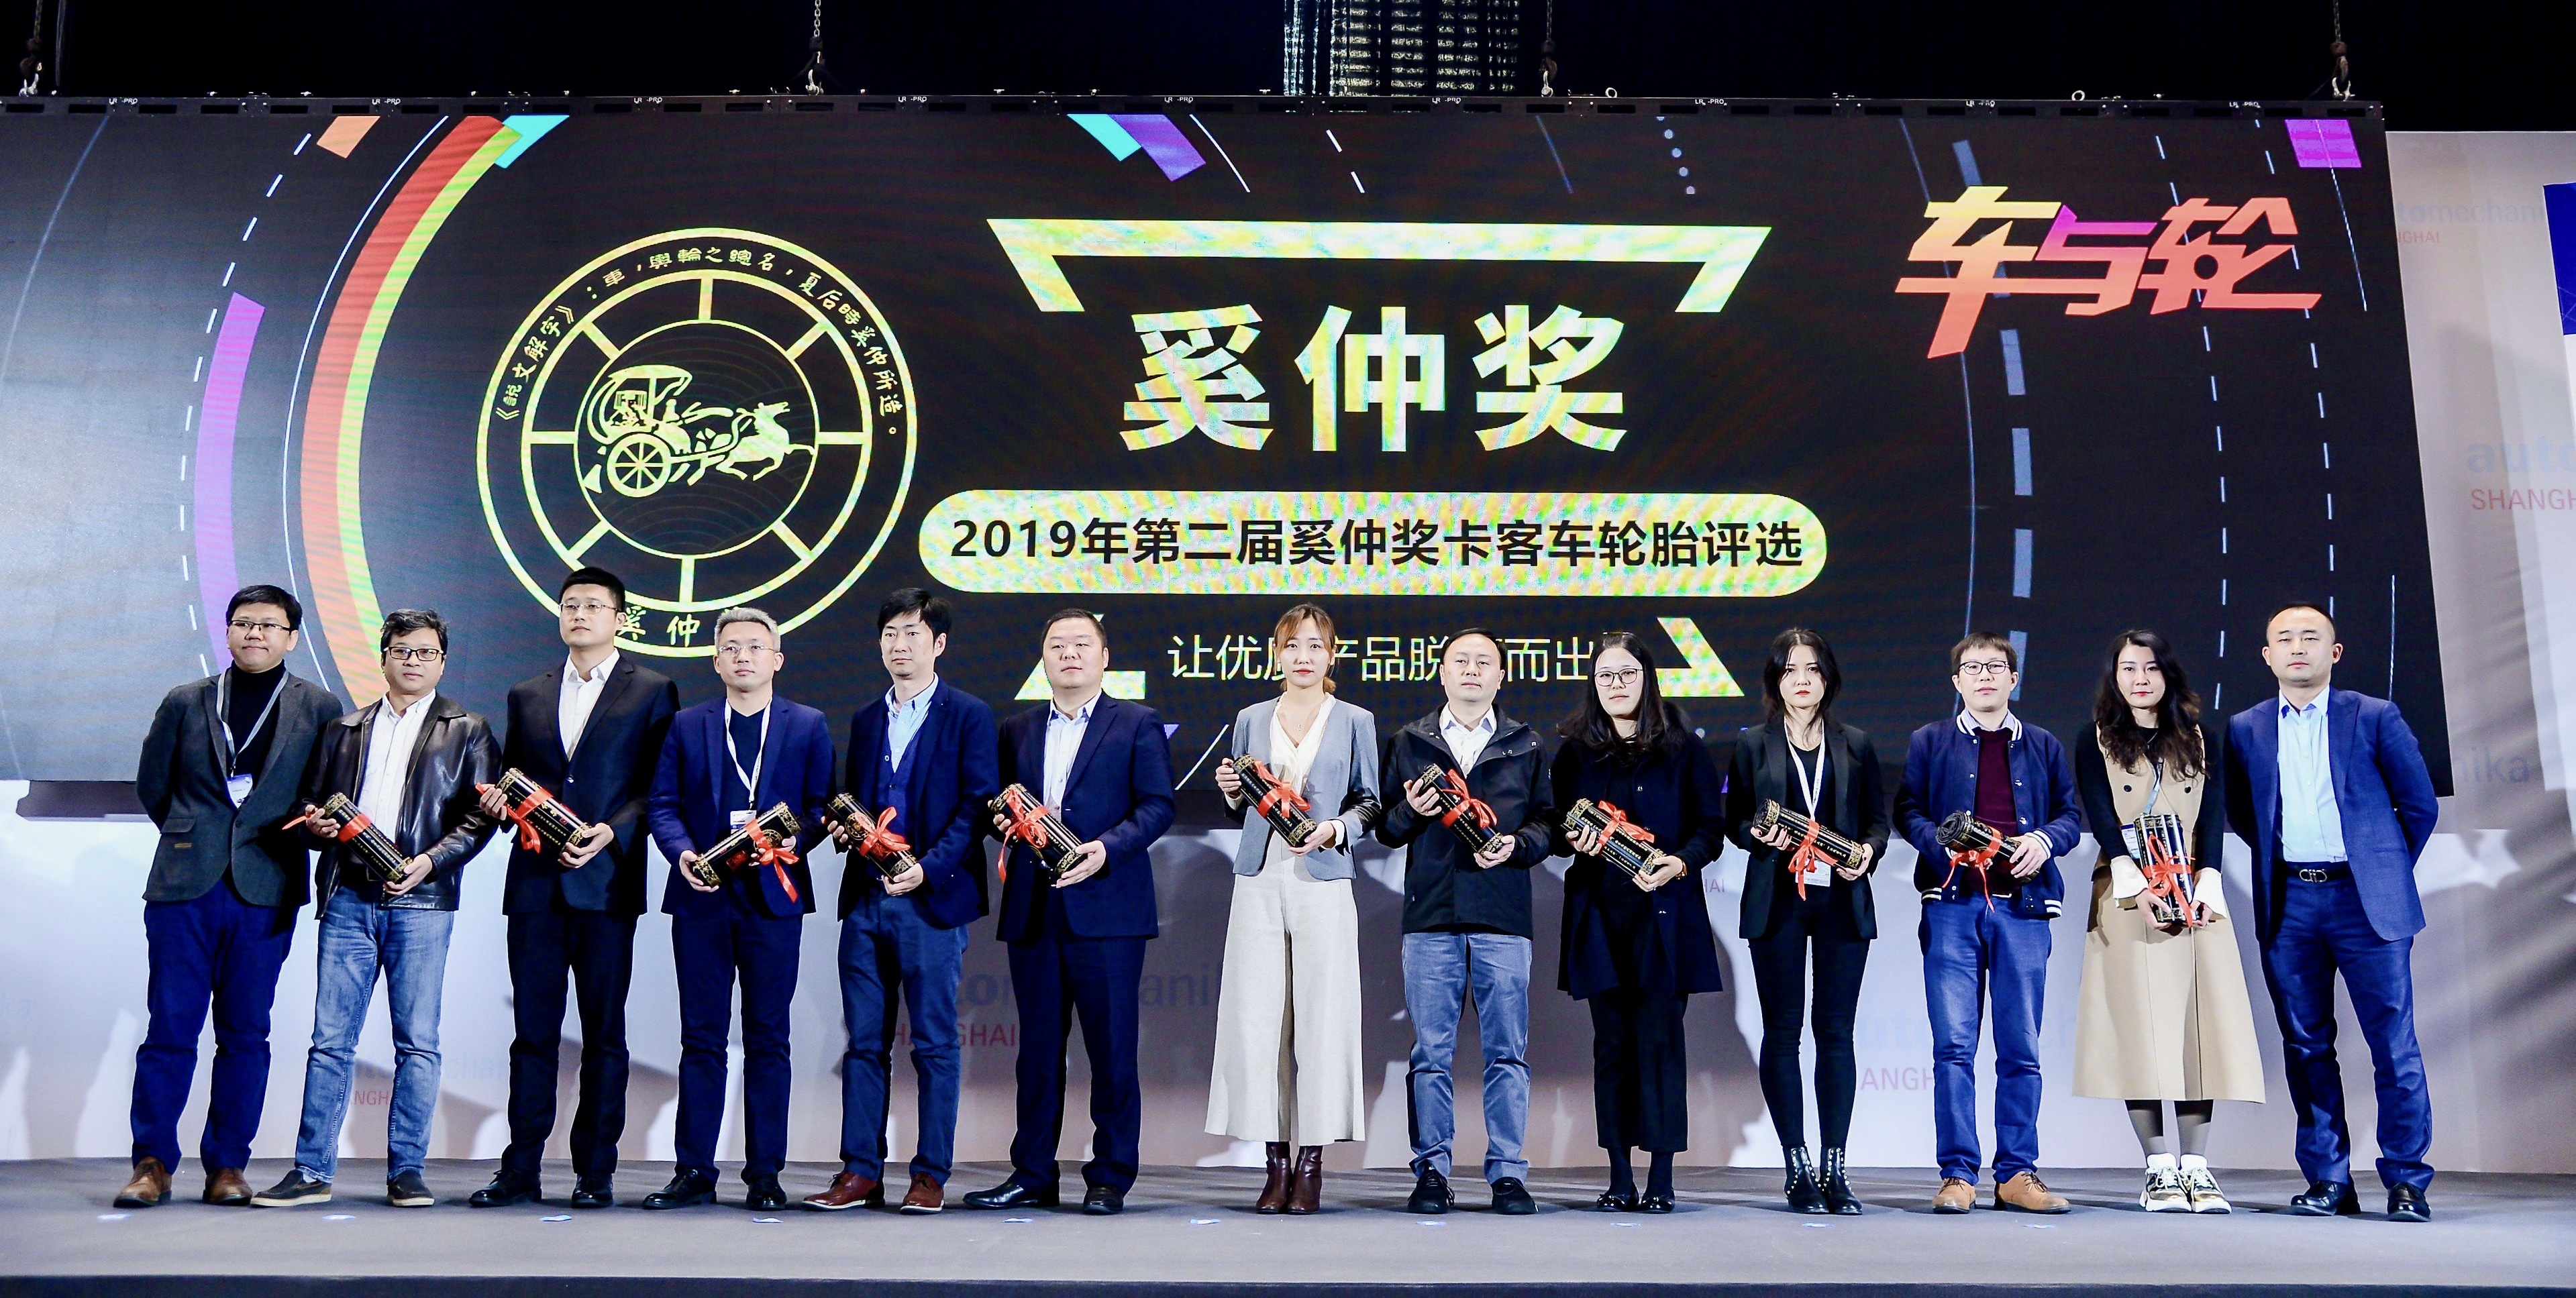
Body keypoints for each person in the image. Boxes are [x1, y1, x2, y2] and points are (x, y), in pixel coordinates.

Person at [253, 609, 501, 1209]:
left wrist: (431, 862)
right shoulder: (344, 728)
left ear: (442, 660)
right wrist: (314, 825)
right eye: (402, 650)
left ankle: (407, 1170)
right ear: (384, 656)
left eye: (425, 651)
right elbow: (311, 804)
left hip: (423, 900)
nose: (413, 661)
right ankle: (312, 1170)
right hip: (347, 897)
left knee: (417, 1042)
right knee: (329, 1041)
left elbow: (480, 817)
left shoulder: (469, 728)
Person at [120, 585, 343, 1209]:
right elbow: (154, 785)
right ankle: (152, 1163)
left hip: (266, 885)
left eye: (269, 625)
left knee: (246, 1032)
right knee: (170, 1028)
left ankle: (227, 1165)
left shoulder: (320, 706)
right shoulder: (186, 700)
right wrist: (194, 836)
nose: (255, 633)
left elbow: (324, 793)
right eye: (244, 622)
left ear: (291, 637)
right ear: (227, 631)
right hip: (184, 886)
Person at [470, 567, 679, 1211]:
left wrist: (611, 832)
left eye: (593, 605)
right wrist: (502, 803)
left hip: (606, 883)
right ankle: (520, 1167)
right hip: (535, 886)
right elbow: (514, 779)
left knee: (604, 1034)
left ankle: (595, 1170)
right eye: (569, 605)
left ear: (620, 618)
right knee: (532, 1034)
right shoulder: (526, 693)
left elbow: (655, 787)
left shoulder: (652, 689)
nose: (579, 614)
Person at [2226, 604, 2439, 1222]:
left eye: (2310, 637)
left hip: (2364, 902)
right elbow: (2243, 812)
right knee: (2306, 1044)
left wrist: (2378, 869)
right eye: (2284, 639)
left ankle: (2406, 1179)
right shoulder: (2244, 727)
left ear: (2334, 652)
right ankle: (2328, 1178)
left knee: (2392, 1042)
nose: (2297, 647)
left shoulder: (2373, 715)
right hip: (2291, 901)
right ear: (2266, 655)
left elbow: (2418, 806)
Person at [962, 608, 1174, 1218]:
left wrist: (1105, 849)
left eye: (1081, 644)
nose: (1069, 654)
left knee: (1111, 1051)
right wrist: (1003, 821)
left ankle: (1109, 1176)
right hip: (1035, 908)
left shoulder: (1135, 722)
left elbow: (1157, 805)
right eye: (1057, 645)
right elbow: (995, 808)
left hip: (1107, 909)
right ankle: (1032, 1172)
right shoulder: (1018, 728)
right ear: (1044, 659)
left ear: (1104, 657)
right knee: (1036, 1053)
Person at [805, 589, 998, 1215]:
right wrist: (845, 829)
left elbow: (976, 806)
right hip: (865, 901)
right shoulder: (866, 717)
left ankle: (930, 1173)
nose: (899, 644)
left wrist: (927, 869)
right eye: (890, 633)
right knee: (863, 1042)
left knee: (935, 1044)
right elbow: (858, 800)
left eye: (912, 633)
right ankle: (860, 1170)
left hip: (932, 902)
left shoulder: (969, 714)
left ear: (938, 643)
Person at [642, 606, 834, 1211]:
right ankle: (694, 1170)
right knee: (701, 1036)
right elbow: (662, 805)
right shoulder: (686, 724)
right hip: (701, 898)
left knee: (768, 1038)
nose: (743, 655)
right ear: (716, 659)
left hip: (772, 901)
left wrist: (788, 842)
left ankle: (765, 1172)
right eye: (731, 647)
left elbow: (820, 808)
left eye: (755, 646)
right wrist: (681, 854)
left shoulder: (807, 724)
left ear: (777, 658)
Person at [2072, 630, 2263, 1213]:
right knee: (2140, 1034)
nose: (2139, 678)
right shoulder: (2094, 737)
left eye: (2150, 667)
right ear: (2114, 676)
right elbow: (2101, 817)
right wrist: (2135, 886)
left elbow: (2212, 817)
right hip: (2129, 894)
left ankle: (2197, 1169)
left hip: (2194, 894)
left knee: (2197, 1031)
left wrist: (2206, 882)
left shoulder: (2201, 737)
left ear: (2168, 674)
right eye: (2127, 668)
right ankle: (2157, 1168)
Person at [1894, 631, 2082, 1215]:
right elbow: (1906, 809)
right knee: (1953, 1047)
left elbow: (2070, 814)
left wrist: (2044, 842)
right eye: (1972, 668)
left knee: (2020, 1047)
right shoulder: (1929, 740)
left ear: (2013, 678)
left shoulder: (2043, 744)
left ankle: (2016, 1173)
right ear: (1956, 681)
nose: (1983, 676)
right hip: (1952, 906)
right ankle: (1957, 1174)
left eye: (1995, 667)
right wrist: (1940, 844)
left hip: (2022, 909)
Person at [1206, 603, 1381, 1214]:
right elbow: (1238, 802)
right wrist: (1231, 792)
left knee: (1324, 1020)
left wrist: (1334, 828)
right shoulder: (1250, 718)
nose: (1303, 656)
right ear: (1276, 653)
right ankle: (1274, 1163)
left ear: (1331, 654)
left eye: (1314, 645)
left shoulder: (1354, 719)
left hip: (1323, 876)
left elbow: (1370, 803)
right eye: (1292, 645)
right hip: (1259, 876)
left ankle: (1312, 1164)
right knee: (1257, 1022)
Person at [1376, 628, 1551, 1216]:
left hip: (1502, 914)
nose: (1471, 669)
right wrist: (1410, 809)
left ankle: (1507, 1173)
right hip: (1432, 914)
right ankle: (1431, 1171)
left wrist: (1517, 845)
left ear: (1501, 675)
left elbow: (1549, 824)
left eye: (1483, 662)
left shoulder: (1527, 743)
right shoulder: (1409, 741)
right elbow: (1385, 827)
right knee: (1430, 1053)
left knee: (1507, 1053)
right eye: (1460, 660)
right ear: (1442, 672)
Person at [1549, 632, 1725, 1213]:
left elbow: (1710, 828)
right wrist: (1570, 838)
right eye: (1605, 675)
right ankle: (1620, 1176)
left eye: (1626, 673)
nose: (1616, 684)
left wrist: (1680, 861)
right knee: (1612, 1046)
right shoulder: (1575, 752)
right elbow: (1558, 829)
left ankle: (1662, 1178)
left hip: (1665, 916)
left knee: (1660, 1042)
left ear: (1647, 678)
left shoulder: (1683, 748)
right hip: (1599, 916)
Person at [1722, 629, 1887, 1215]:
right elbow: (1733, 819)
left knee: (1836, 1032)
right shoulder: (1752, 743)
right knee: (1783, 1031)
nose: (1801, 679)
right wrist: (1754, 834)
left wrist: (1867, 851)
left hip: (1841, 896)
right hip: (1777, 898)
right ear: (1775, 679)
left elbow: (1876, 821)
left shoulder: (1855, 742)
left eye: (1812, 669)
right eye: (1790, 669)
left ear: (1827, 678)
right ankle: (1796, 1167)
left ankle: (1834, 1167)